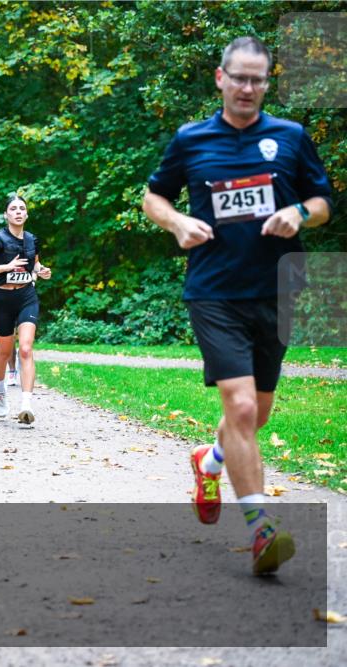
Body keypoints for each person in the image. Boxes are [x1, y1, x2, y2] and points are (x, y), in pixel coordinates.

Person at [142, 37, 331, 575]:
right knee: (241, 408)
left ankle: (211, 460)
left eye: (258, 79)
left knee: (256, 415)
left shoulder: (290, 138)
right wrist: (176, 221)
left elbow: (324, 202)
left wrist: (299, 212)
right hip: (214, 290)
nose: (248, 88)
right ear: (220, 77)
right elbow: (153, 195)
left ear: (267, 83)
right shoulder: (192, 139)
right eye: (239, 78)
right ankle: (261, 529)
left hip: (276, 289)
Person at [0, 194, 52, 424]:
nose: (18, 212)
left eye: (22, 208)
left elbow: (34, 265)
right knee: (5, 352)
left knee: (26, 349)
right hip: (2, 300)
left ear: (26, 214)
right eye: (13, 209)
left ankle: (26, 404)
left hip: (27, 296)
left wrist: (42, 270)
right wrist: (6, 267)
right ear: (6, 214)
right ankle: (0, 390)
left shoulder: (31, 239)